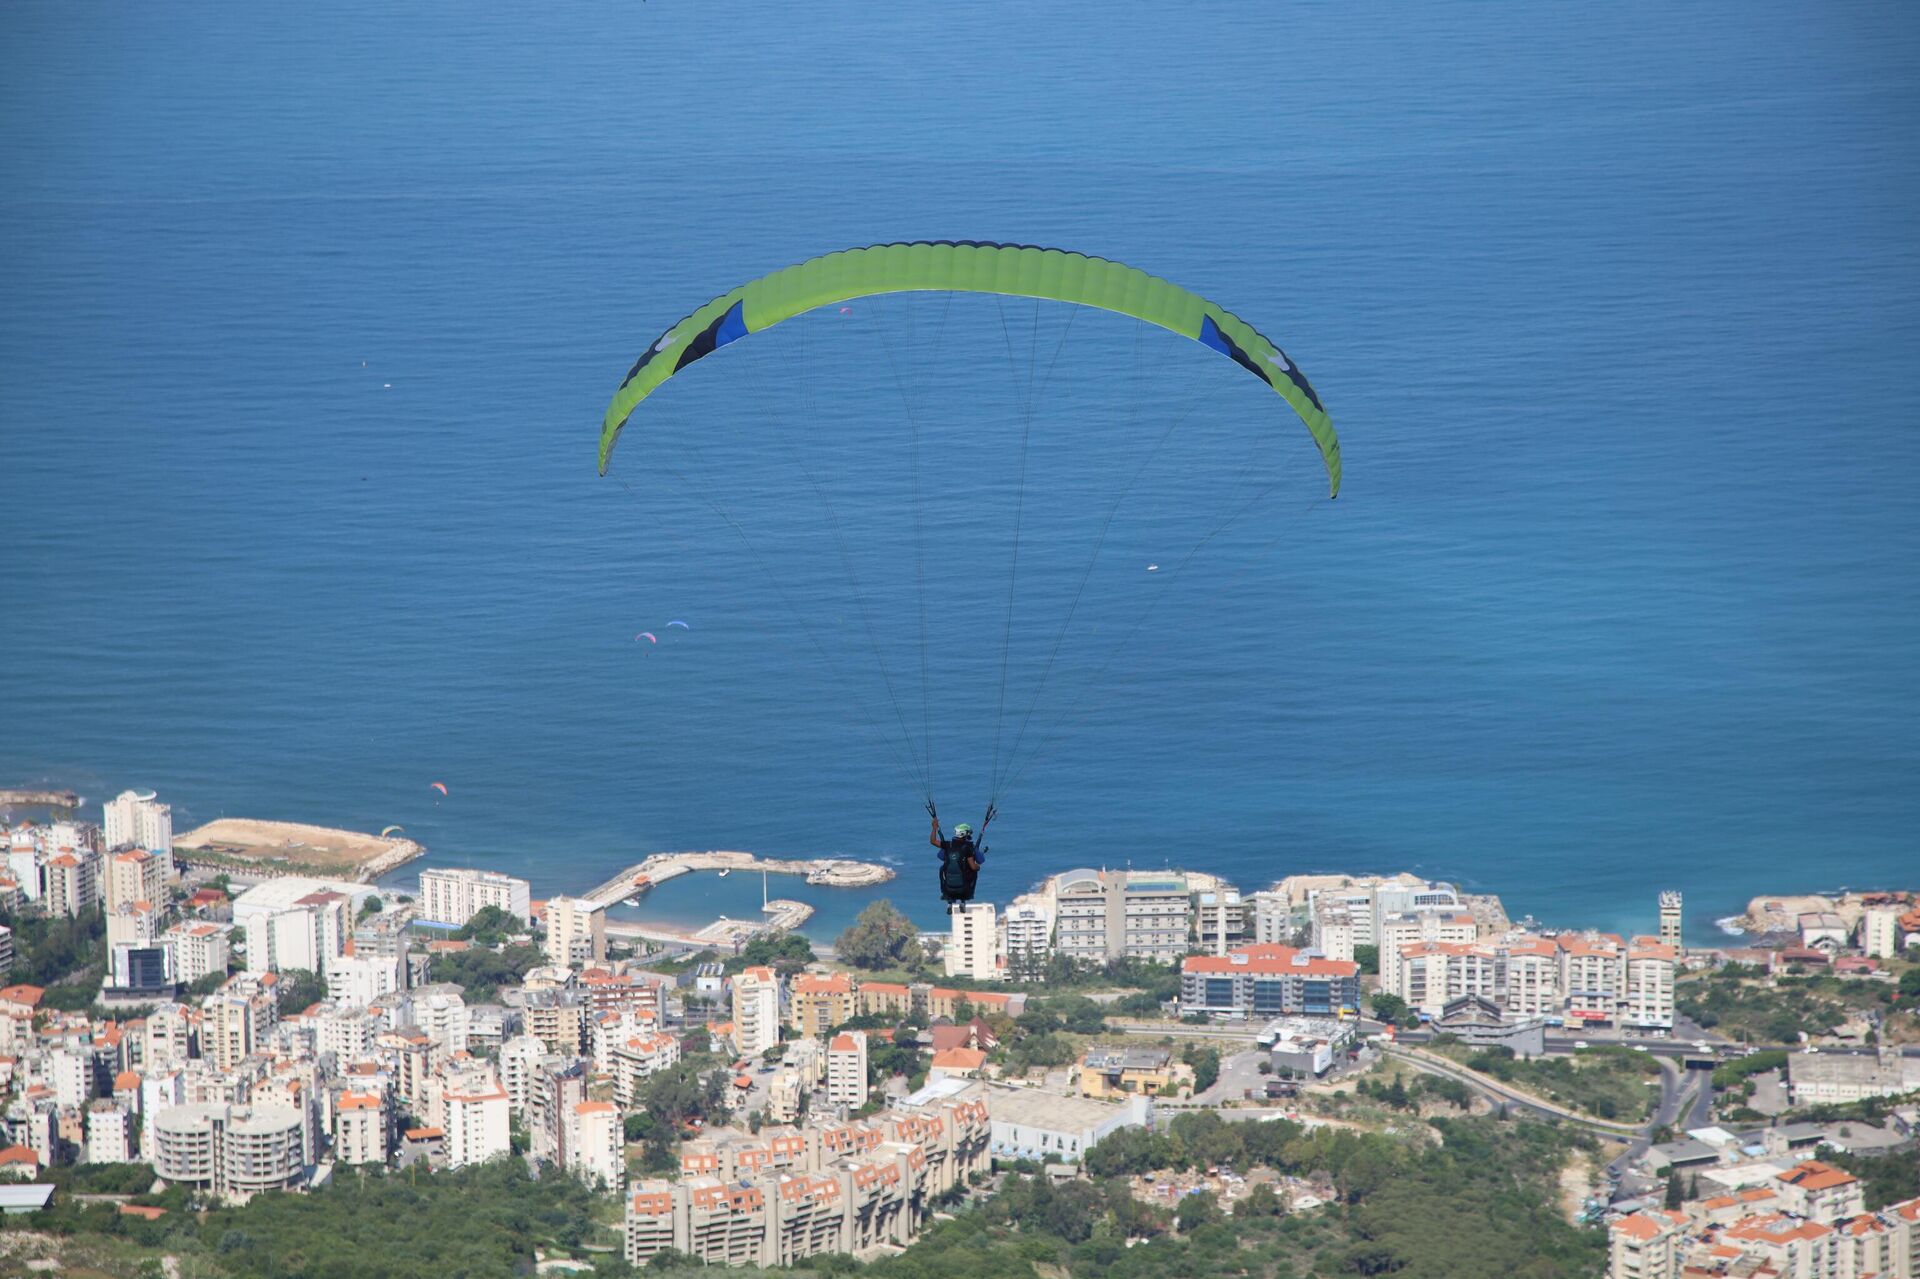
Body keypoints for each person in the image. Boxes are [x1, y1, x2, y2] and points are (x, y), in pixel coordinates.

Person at [929, 809, 984, 909]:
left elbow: (933, 841)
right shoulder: (968, 847)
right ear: (965, 835)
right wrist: (977, 867)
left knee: (942, 869)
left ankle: (947, 898)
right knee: (973, 871)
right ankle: (965, 899)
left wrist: (934, 828)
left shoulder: (947, 845)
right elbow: (973, 866)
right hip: (963, 889)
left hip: (948, 888)